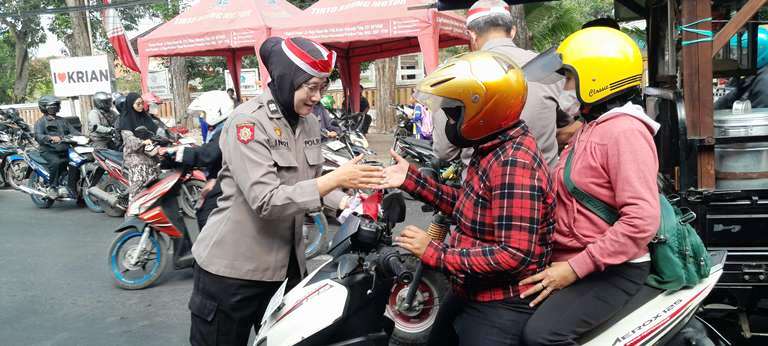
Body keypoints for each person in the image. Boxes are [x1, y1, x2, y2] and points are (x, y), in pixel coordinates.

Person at [188, 36, 384, 346]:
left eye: (322, 87)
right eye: (311, 87)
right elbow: (266, 200)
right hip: (232, 272)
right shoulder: (247, 123)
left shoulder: (308, 124)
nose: (318, 97)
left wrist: (347, 201)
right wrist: (337, 179)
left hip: (286, 270)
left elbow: (313, 180)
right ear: (285, 78)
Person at [377, 51, 556, 346]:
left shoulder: (514, 163)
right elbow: (469, 206)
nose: (449, 120)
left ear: (485, 110)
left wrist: (436, 253)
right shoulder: (491, 147)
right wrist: (412, 179)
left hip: (500, 305)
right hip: (470, 291)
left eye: (453, 112)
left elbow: (514, 254)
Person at [518, 27, 660, 346]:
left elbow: (641, 220)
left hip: (615, 268)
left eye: (571, 77)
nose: (567, 85)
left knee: (542, 336)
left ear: (597, 79)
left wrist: (573, 268)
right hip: (575, 259)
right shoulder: (592, 127)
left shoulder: (624, 132)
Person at [432, 0, 574, 173]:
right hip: (545, 188)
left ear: (472, 34)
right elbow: (569, 123)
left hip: (483, 190)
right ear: (512, 32)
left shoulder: (458, 75)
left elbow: (444, 152)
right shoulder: (549, 66)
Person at [162, 92, 235, 230]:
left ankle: (212, 250)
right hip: (221, 178)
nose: (202, 116)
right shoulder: (219, 128)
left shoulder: (227, 129)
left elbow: (208, 154)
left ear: (217, 110)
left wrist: (178, 152)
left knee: (205, 214)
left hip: (230, 181)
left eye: (204, 113)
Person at [116, 92, 163, 205]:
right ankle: (133, 207)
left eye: (142, 103)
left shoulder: (146, 117)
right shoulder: (125, 120)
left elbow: (157, 130)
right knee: (140, 178)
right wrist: (142, 142)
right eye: (138, 104)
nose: (141, 106)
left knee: (157, 175)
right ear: (131, 105)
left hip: (149, 151)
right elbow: (129, 140)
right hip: (134, 154)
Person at [33, 96, 82, 199]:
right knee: (56, 162)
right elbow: (38, 136)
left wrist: (83, 136)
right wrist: (50, 138)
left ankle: (75, 189)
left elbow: (73, 131)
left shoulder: (63, 120)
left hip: (64, 149)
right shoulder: (41, 122)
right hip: (49, 150)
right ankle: (52, 187)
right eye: (52, 106)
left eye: (56, 105)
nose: (55, 108)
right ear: (44, 107)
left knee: (77, 163)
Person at [715, 26, 768, 110]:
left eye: (741, 52)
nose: (735, 57)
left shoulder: (764, 83)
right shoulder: (749, 75)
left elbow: (756, 119)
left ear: (756, 53)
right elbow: (728, 97)